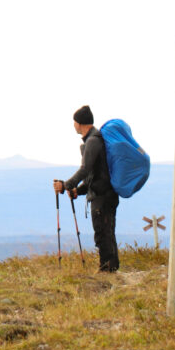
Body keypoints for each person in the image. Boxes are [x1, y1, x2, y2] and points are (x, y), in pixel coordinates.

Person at [53, 105, 119, 272]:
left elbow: (85, 170)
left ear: (80, 123)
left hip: (102, 196)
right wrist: (78, 191)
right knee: (107, 231)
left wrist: (66, 185)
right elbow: (95, 175)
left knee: (102, 233)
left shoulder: (92, 141)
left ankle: (106, 270)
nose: (73, 125)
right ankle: (111, 267)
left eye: (74, 122)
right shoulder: (96, 139)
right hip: (107, 194)